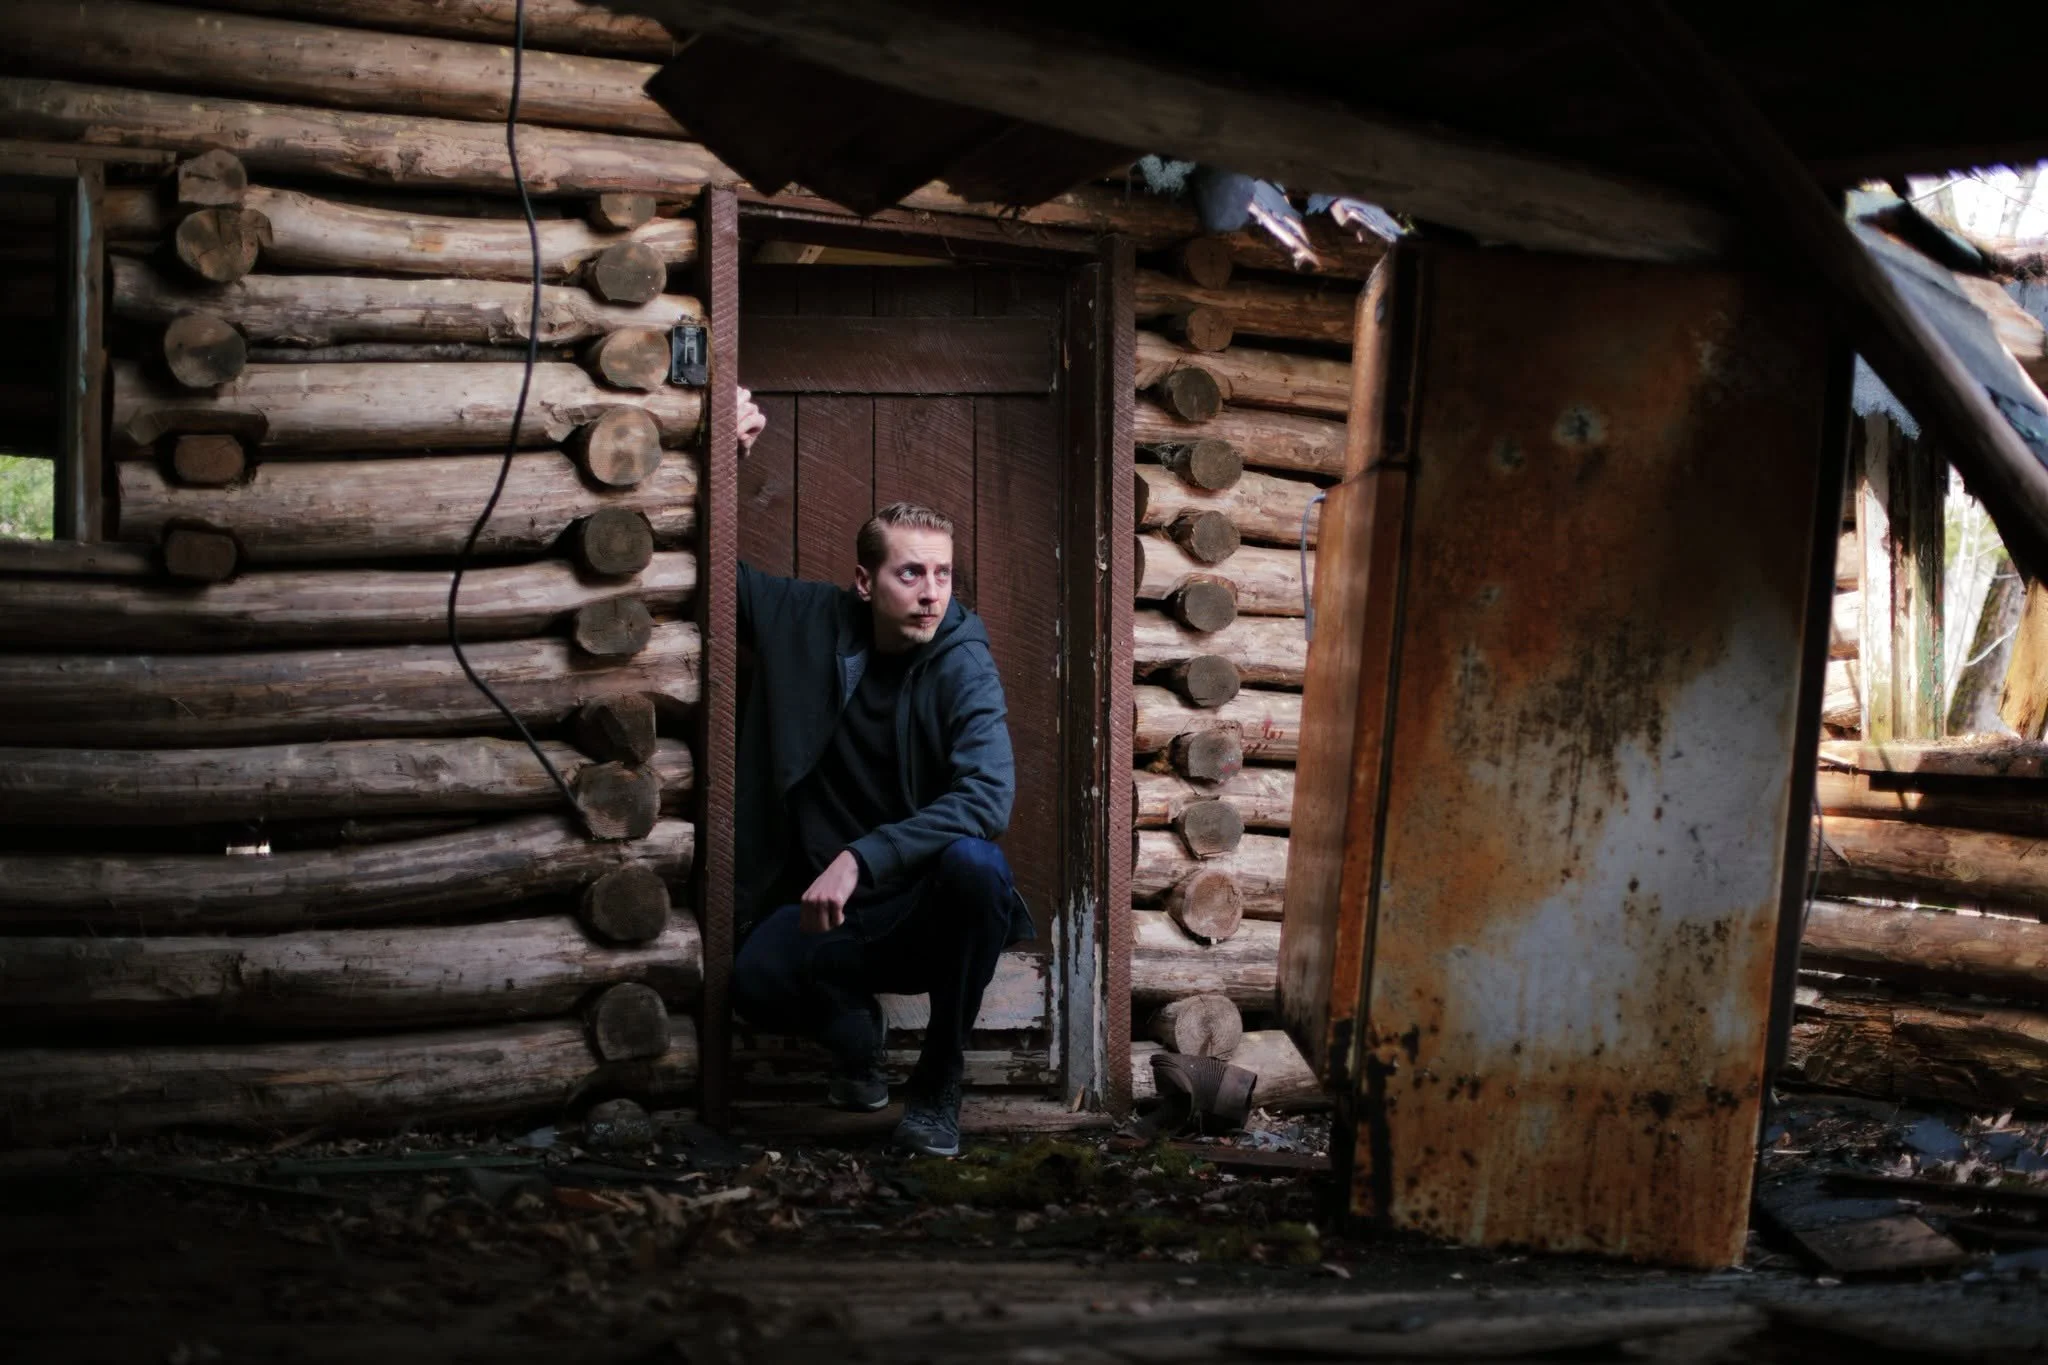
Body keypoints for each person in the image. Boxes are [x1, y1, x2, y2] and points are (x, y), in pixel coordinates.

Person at [729, 390, 1031, 1158]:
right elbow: (709, 571)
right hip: (833, 915)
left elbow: (988, 797)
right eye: (910, 573)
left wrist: (862, 856)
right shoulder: (807, 619)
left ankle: (939, 1080)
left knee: (977, 865)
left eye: (943, 574)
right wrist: (723, 456)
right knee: (752, 979)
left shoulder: (964, 659)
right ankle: (854, 1036)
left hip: (921, 909)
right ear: (866, 582)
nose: (932, 592)